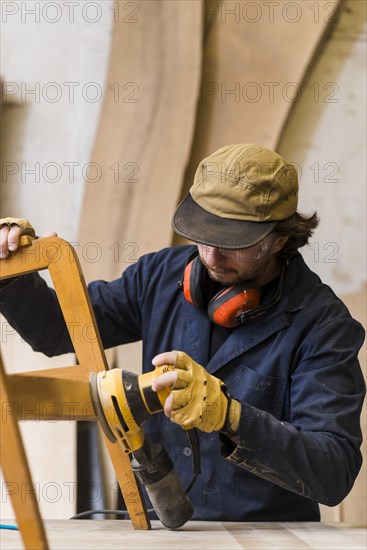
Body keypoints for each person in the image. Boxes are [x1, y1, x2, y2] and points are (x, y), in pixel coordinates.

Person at [0, 143, 365, 522]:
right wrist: (12, 274)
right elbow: (56, 333)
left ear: (280, 239)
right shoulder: (159, 277)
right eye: (204, 236)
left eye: (233, 243)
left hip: (265, 536)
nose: (211, 257)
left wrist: (233, 417)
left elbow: (333, 472)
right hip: (156, 528)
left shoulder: (324, 326)